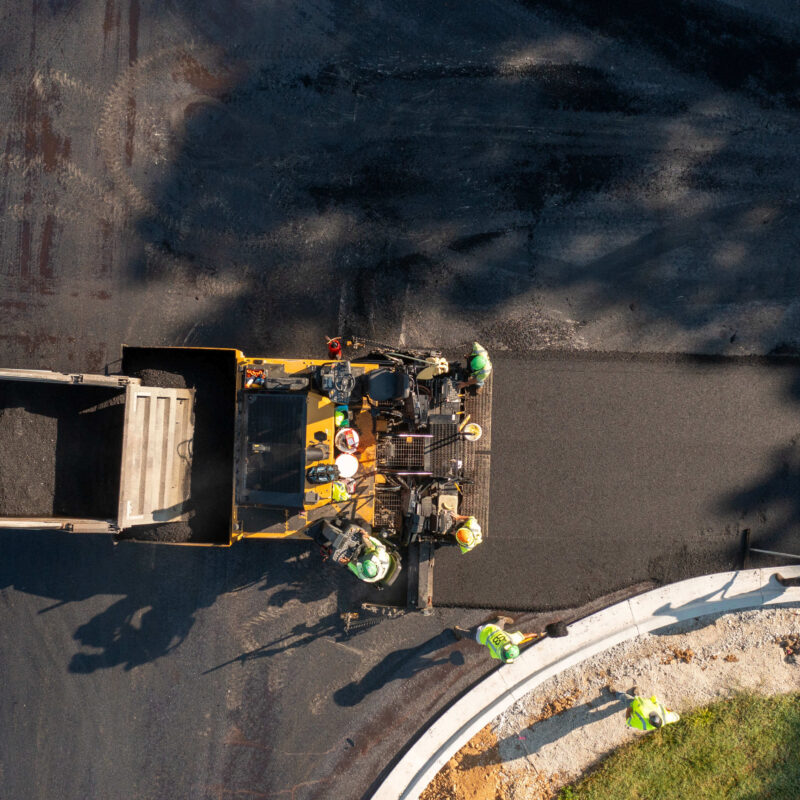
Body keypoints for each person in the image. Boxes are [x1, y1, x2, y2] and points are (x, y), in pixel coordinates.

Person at [454, 616, 533, 664]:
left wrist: (536, 635)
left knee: (500, 627)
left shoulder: (513, 639)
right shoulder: (496, 653)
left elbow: (525, 635)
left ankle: (502, 619)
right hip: (480, 633)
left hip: (493, 627)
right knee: (470, 635)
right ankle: (458, 631)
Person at [615, 688, 680, 731]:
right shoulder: (667, 718)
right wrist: (668, 710)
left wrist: (628, 711)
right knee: (639, 699)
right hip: (646, 702)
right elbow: (677, 717)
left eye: (650, 716)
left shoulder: (643, 724)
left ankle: (616, 693)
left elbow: (628, 721)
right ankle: (636, 695)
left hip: (634, 706)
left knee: (625, 698)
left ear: (649, 721)